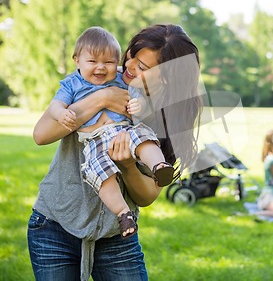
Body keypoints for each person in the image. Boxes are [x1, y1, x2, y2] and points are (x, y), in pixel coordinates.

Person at [29, 24, 202, 280]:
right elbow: (41, 134)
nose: (129, 66)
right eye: (131, 55)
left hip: (117, 235)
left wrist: (128, 167)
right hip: (55, 226)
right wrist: (103, 98)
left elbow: (147, 196)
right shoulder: (99, 77)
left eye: (143, 67)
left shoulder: (165, 116)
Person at [47, 26, 176, 239]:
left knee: (144, 139)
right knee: (100, 173)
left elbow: (139, 99)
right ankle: (123, 213)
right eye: (92, 62)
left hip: (124, 131)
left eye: (108, 62)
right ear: (76, 60)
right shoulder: (72, 83)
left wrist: (140, 107)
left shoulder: (120, 79)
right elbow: (53, 110)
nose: (101, 68)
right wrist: (62, 113)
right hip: (94, 141)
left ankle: (159, 166)